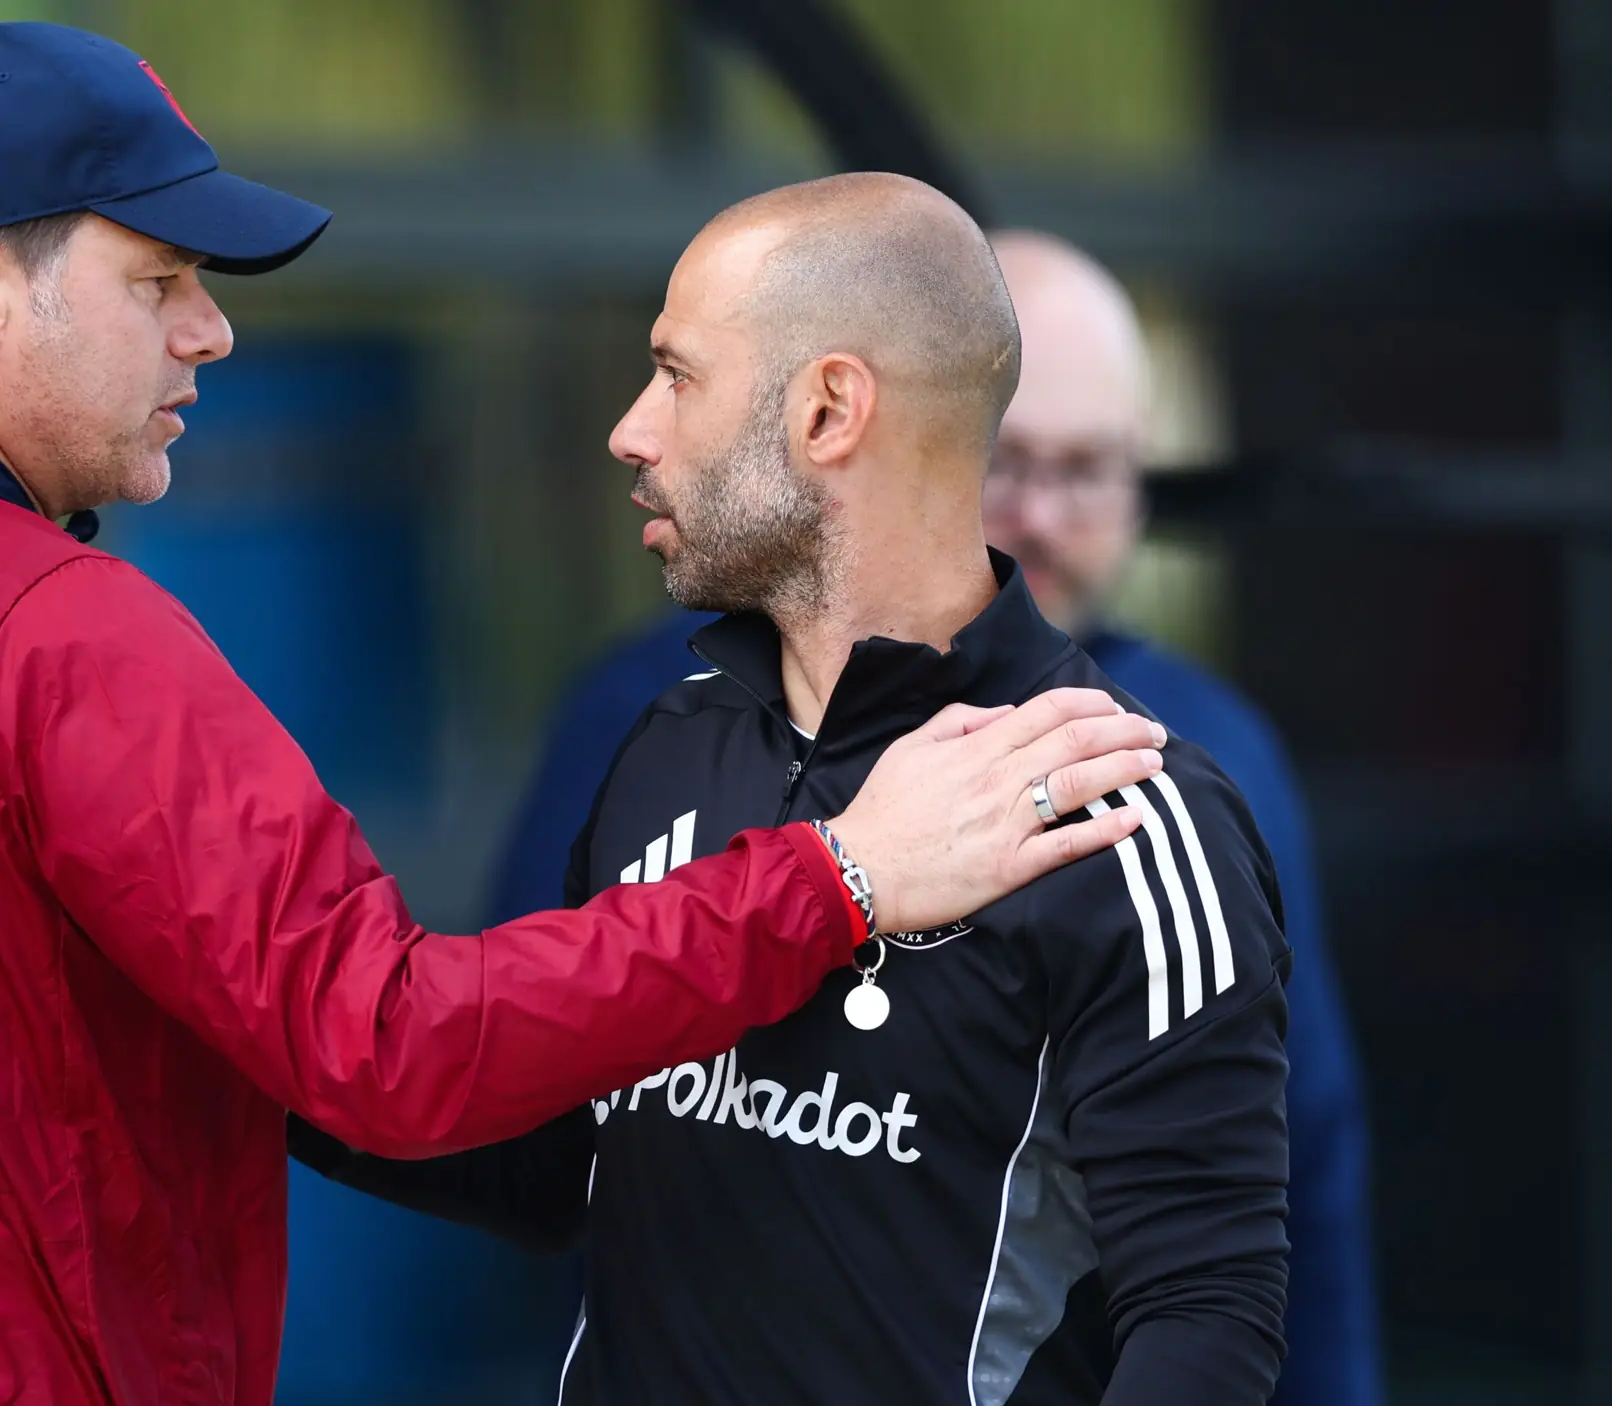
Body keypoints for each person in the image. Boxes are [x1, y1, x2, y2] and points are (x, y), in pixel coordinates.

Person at [0, 22, 1169, 1406]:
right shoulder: (56, 633)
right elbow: (388, 1047)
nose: (209, 335)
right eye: (157, 279)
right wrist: (838, 880)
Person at [299, 174, 1294, 1405]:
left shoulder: (1129, 814)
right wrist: (253, 1045)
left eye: (677, 374)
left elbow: (1206, 1318)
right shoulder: (668, 741)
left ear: (829, 410)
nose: (631, 427)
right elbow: (558, 1161)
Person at [984, 230, 1380, 1406]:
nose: (1043, 515)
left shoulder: (1214, 750)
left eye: (1089, 469)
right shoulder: (708, 711)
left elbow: (1301, 1150)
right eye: (1002, 463)